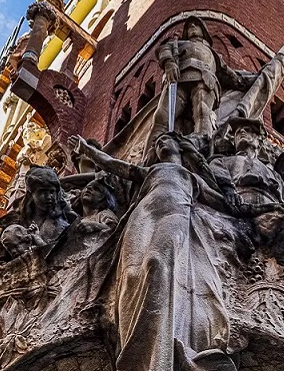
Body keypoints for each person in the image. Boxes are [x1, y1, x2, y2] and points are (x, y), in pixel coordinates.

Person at [68, 132, 237, 371]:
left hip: (175, 214)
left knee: (157, 263)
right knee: (131, 277)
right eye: (157, 143)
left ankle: (160, 358)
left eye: (165, 140)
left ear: (180, 146)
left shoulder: (191, 177)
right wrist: (87, 149)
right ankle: (133, 356)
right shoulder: (152, 170)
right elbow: (114, 165)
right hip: (142, 216)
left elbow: (226, 203)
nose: (160, 144)